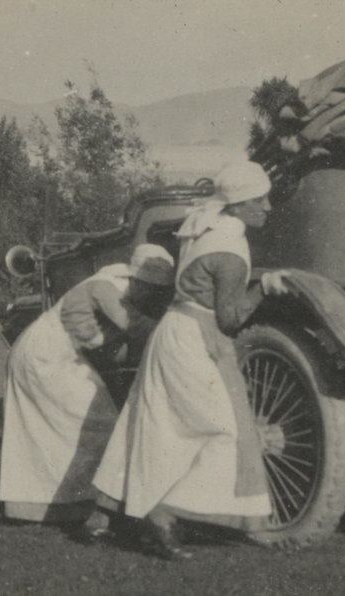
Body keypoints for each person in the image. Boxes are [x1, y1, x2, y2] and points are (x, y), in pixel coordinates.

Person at [93, 161, 288, 560]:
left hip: (173, 331)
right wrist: (264, 289)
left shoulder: (203, 227)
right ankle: (163, 512)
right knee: (223, 430)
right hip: (194, 340)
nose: (268, 206)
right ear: (236, 205)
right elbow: (230, 318)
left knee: (157, 425)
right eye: (259, 200)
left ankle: (108, 514)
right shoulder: (230, 250)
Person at [0, 244, 175, 538]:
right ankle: (92, 514)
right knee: (98, 423)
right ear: (138, 281)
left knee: (61, 432)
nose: (152, 295)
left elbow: (113, 347)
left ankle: (59, 509)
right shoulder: (108, 287)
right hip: (46, 355)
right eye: (152, 288)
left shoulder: (116, 290)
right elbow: (138, 327)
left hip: (51, 354)